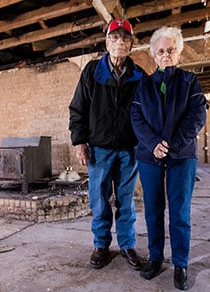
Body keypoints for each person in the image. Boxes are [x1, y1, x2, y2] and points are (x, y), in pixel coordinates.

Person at [130, 26, 207, 290]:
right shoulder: (144, 86)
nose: (166, 55)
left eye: (171, 50)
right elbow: (136, 119)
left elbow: (197, 117)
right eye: (161, 51)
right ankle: (155, 258)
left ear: (179, 52)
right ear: (154, 54)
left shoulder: (190, 82)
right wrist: (153, 144)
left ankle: (181, 263)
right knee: (152, 209)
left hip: (181, 156)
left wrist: (170, 144)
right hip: (150, 156)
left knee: (180, 212)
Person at [69, 19, 145, 271]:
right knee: (99, 201)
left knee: (126, 200)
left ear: (131, 44)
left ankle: (126, 245)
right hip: (98, 150)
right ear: (106, 42)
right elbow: (78, 108)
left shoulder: (139, 76)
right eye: (114, 38)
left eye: (125, 38)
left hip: (128, 150)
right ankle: (101, 245)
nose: (119, 42)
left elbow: (147, 113)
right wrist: (80, 141)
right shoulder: (92, 72)